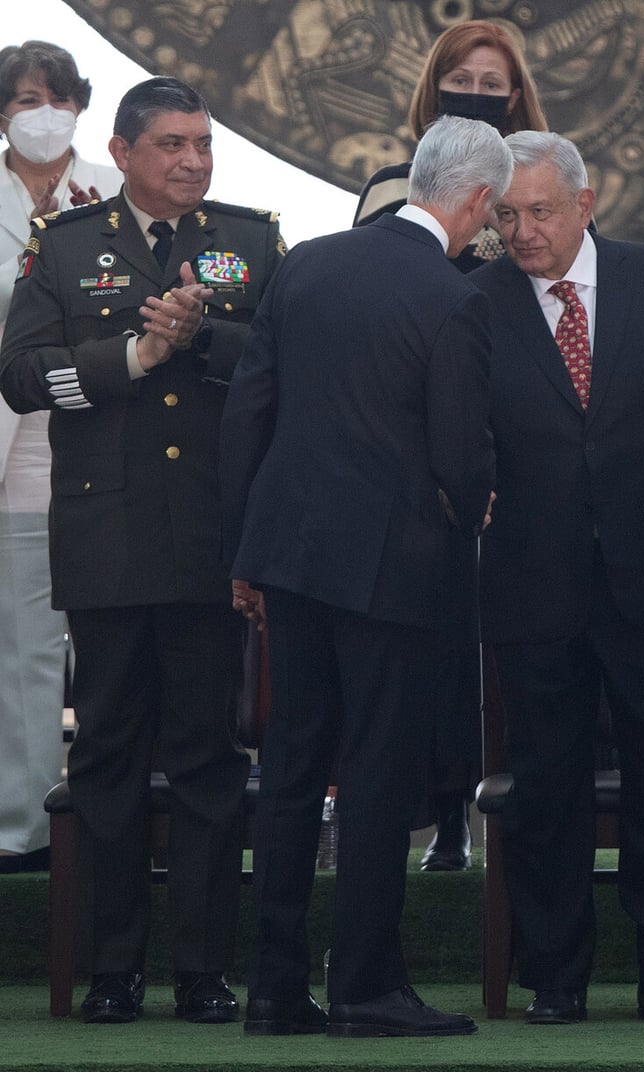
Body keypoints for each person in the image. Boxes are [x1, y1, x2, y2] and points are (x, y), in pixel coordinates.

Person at [219, 114, 512, 1038]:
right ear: (473, 201)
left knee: (295, 768)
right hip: (398, 571)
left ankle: (272, 987)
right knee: (380, 774)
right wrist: (477, 505)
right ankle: (367, 987)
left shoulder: (305, 263)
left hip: (292, 560)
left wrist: (247, 550)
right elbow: (462, 455)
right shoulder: (454, 296)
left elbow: (249, 413)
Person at [0, 76, 284, 1025]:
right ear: (120, 154)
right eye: (171, 145)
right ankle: (112, 969)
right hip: (108, 536)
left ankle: (203, 972)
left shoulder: (249, 240)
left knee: (208, 758)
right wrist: (133, 359)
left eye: (203, 144)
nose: (193, 162)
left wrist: (201, 342)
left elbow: (285, 365)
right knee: (110, 758)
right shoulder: (68, 247)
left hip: (210, 539)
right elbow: (22, 374)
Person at [471, 131, 644, 1025]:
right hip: (530, 583)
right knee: (545, 783)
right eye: (506, 214)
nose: (522, 232)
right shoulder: (476, 303)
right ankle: (556, 977)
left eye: (540, 211)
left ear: (585, 204)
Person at [354, 18, 547, 872]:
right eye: (462, 77)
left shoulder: (542, 176)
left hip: (522, 429)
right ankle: (441, 808)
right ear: (436, 88)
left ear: (516, 94)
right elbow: (370, 292)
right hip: (418, 433)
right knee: (429, 637)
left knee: (519, 635)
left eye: (493, 80)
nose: (479, 90)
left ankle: (518, 799)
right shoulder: (395, 184)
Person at [0, 41, 121, 874]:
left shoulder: (116, 193)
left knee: (109, 649)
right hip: (16, 450)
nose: (42, 112)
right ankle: (26, 830)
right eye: (23, 98)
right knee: (27, 650)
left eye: (56, 97)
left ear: (81, 106)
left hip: (105, 439)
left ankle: (110, 827)